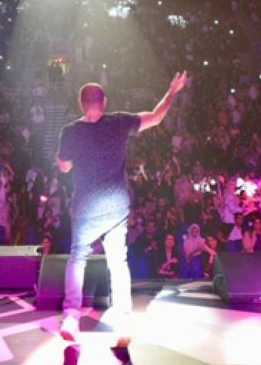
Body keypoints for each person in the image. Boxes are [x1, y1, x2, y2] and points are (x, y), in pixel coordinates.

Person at [56, 72, 188, 346]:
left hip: (86, 205)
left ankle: (71, 315)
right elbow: (155, 116)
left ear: (81, 103)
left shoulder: (70, 131)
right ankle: (123, 320)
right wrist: (172, 90)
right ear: (103, 102)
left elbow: (64, 166)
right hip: (116, 204)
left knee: (78, 257)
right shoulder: (118, 122)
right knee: (118, 262)